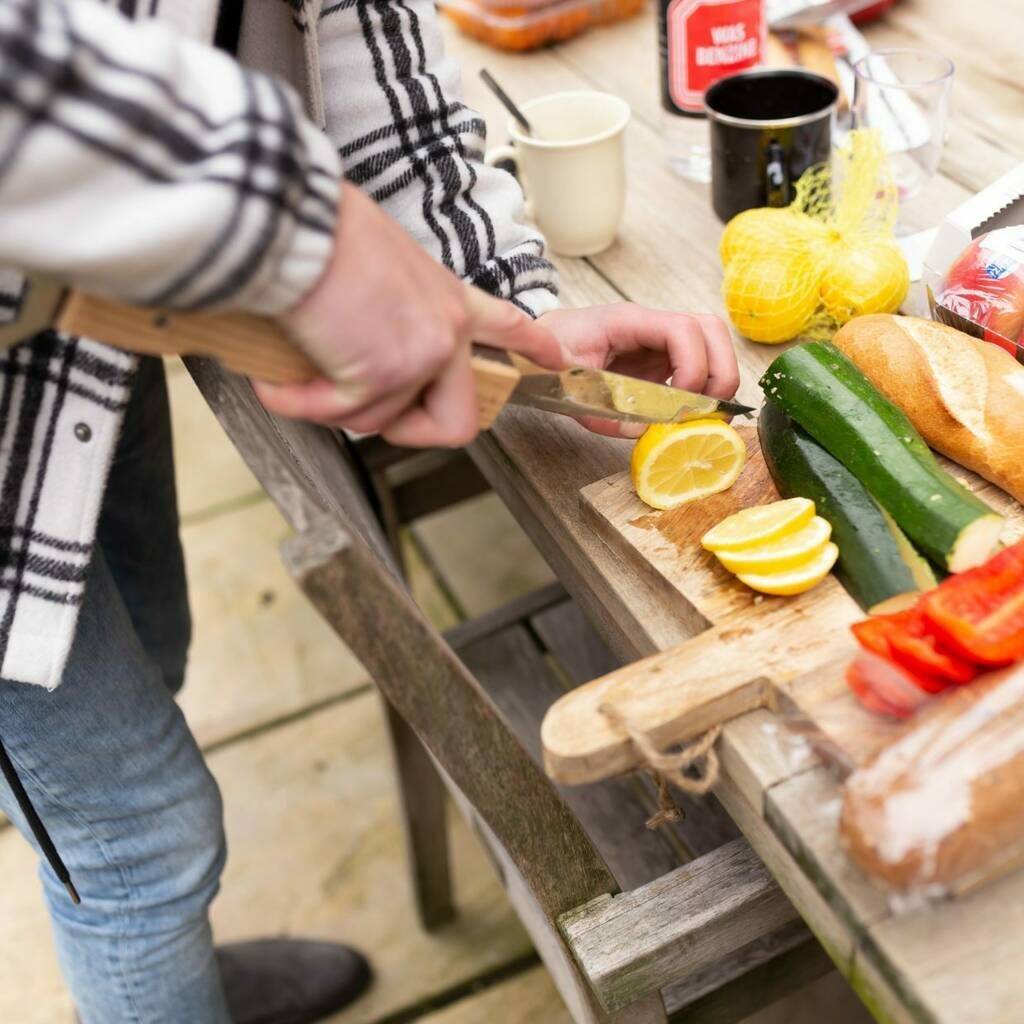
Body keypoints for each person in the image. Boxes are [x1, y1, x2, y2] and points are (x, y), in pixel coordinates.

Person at [0, 1, 741, 1022]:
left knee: (153, 656)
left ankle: (173, 971)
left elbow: (357, 49)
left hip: (61, 337)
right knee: (136, 837)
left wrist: (519, 326)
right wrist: (283, 216)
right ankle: (146, 940)